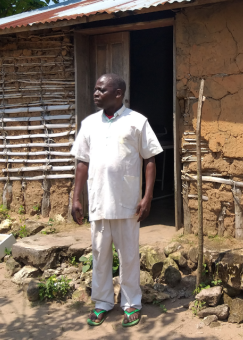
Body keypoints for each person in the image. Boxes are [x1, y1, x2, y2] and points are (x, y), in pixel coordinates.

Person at [70, 73, 163, 328]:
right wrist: (76, 198)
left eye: (101, 89)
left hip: (127, 204)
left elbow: (150, 159)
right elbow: (82, 163)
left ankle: (131, 303)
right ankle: (102, 303)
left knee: (129, 256)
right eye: (95, 89)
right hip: (99, 202)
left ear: (118, 94)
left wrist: (147, 197)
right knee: (99, 255)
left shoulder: (137, 121)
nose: (96, 93)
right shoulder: (89, 123)